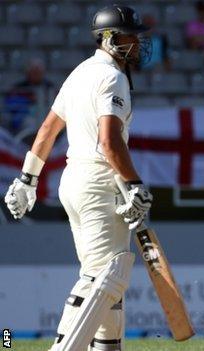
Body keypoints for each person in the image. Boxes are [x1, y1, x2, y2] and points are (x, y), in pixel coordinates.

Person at [3, 5, 154, 350]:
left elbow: (46, 130)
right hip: (99, 183)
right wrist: (135, 185)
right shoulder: (112, 77)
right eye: (130, 36)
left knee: (107, 280)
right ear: (110, 39)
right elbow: (109, 141)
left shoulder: (80, 72)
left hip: (74, 182)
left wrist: (28, 179)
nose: (137, 43)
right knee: (104, 276)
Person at [3, 58, 55, 135]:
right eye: (34, 71)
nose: (36, 74)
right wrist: (29, 100)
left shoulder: (50, 87)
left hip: (46, 114)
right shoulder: (20, 88)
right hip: (26, 117)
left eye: (38, 72)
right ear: (28, 72)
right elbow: (11, 103)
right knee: (30, 123)